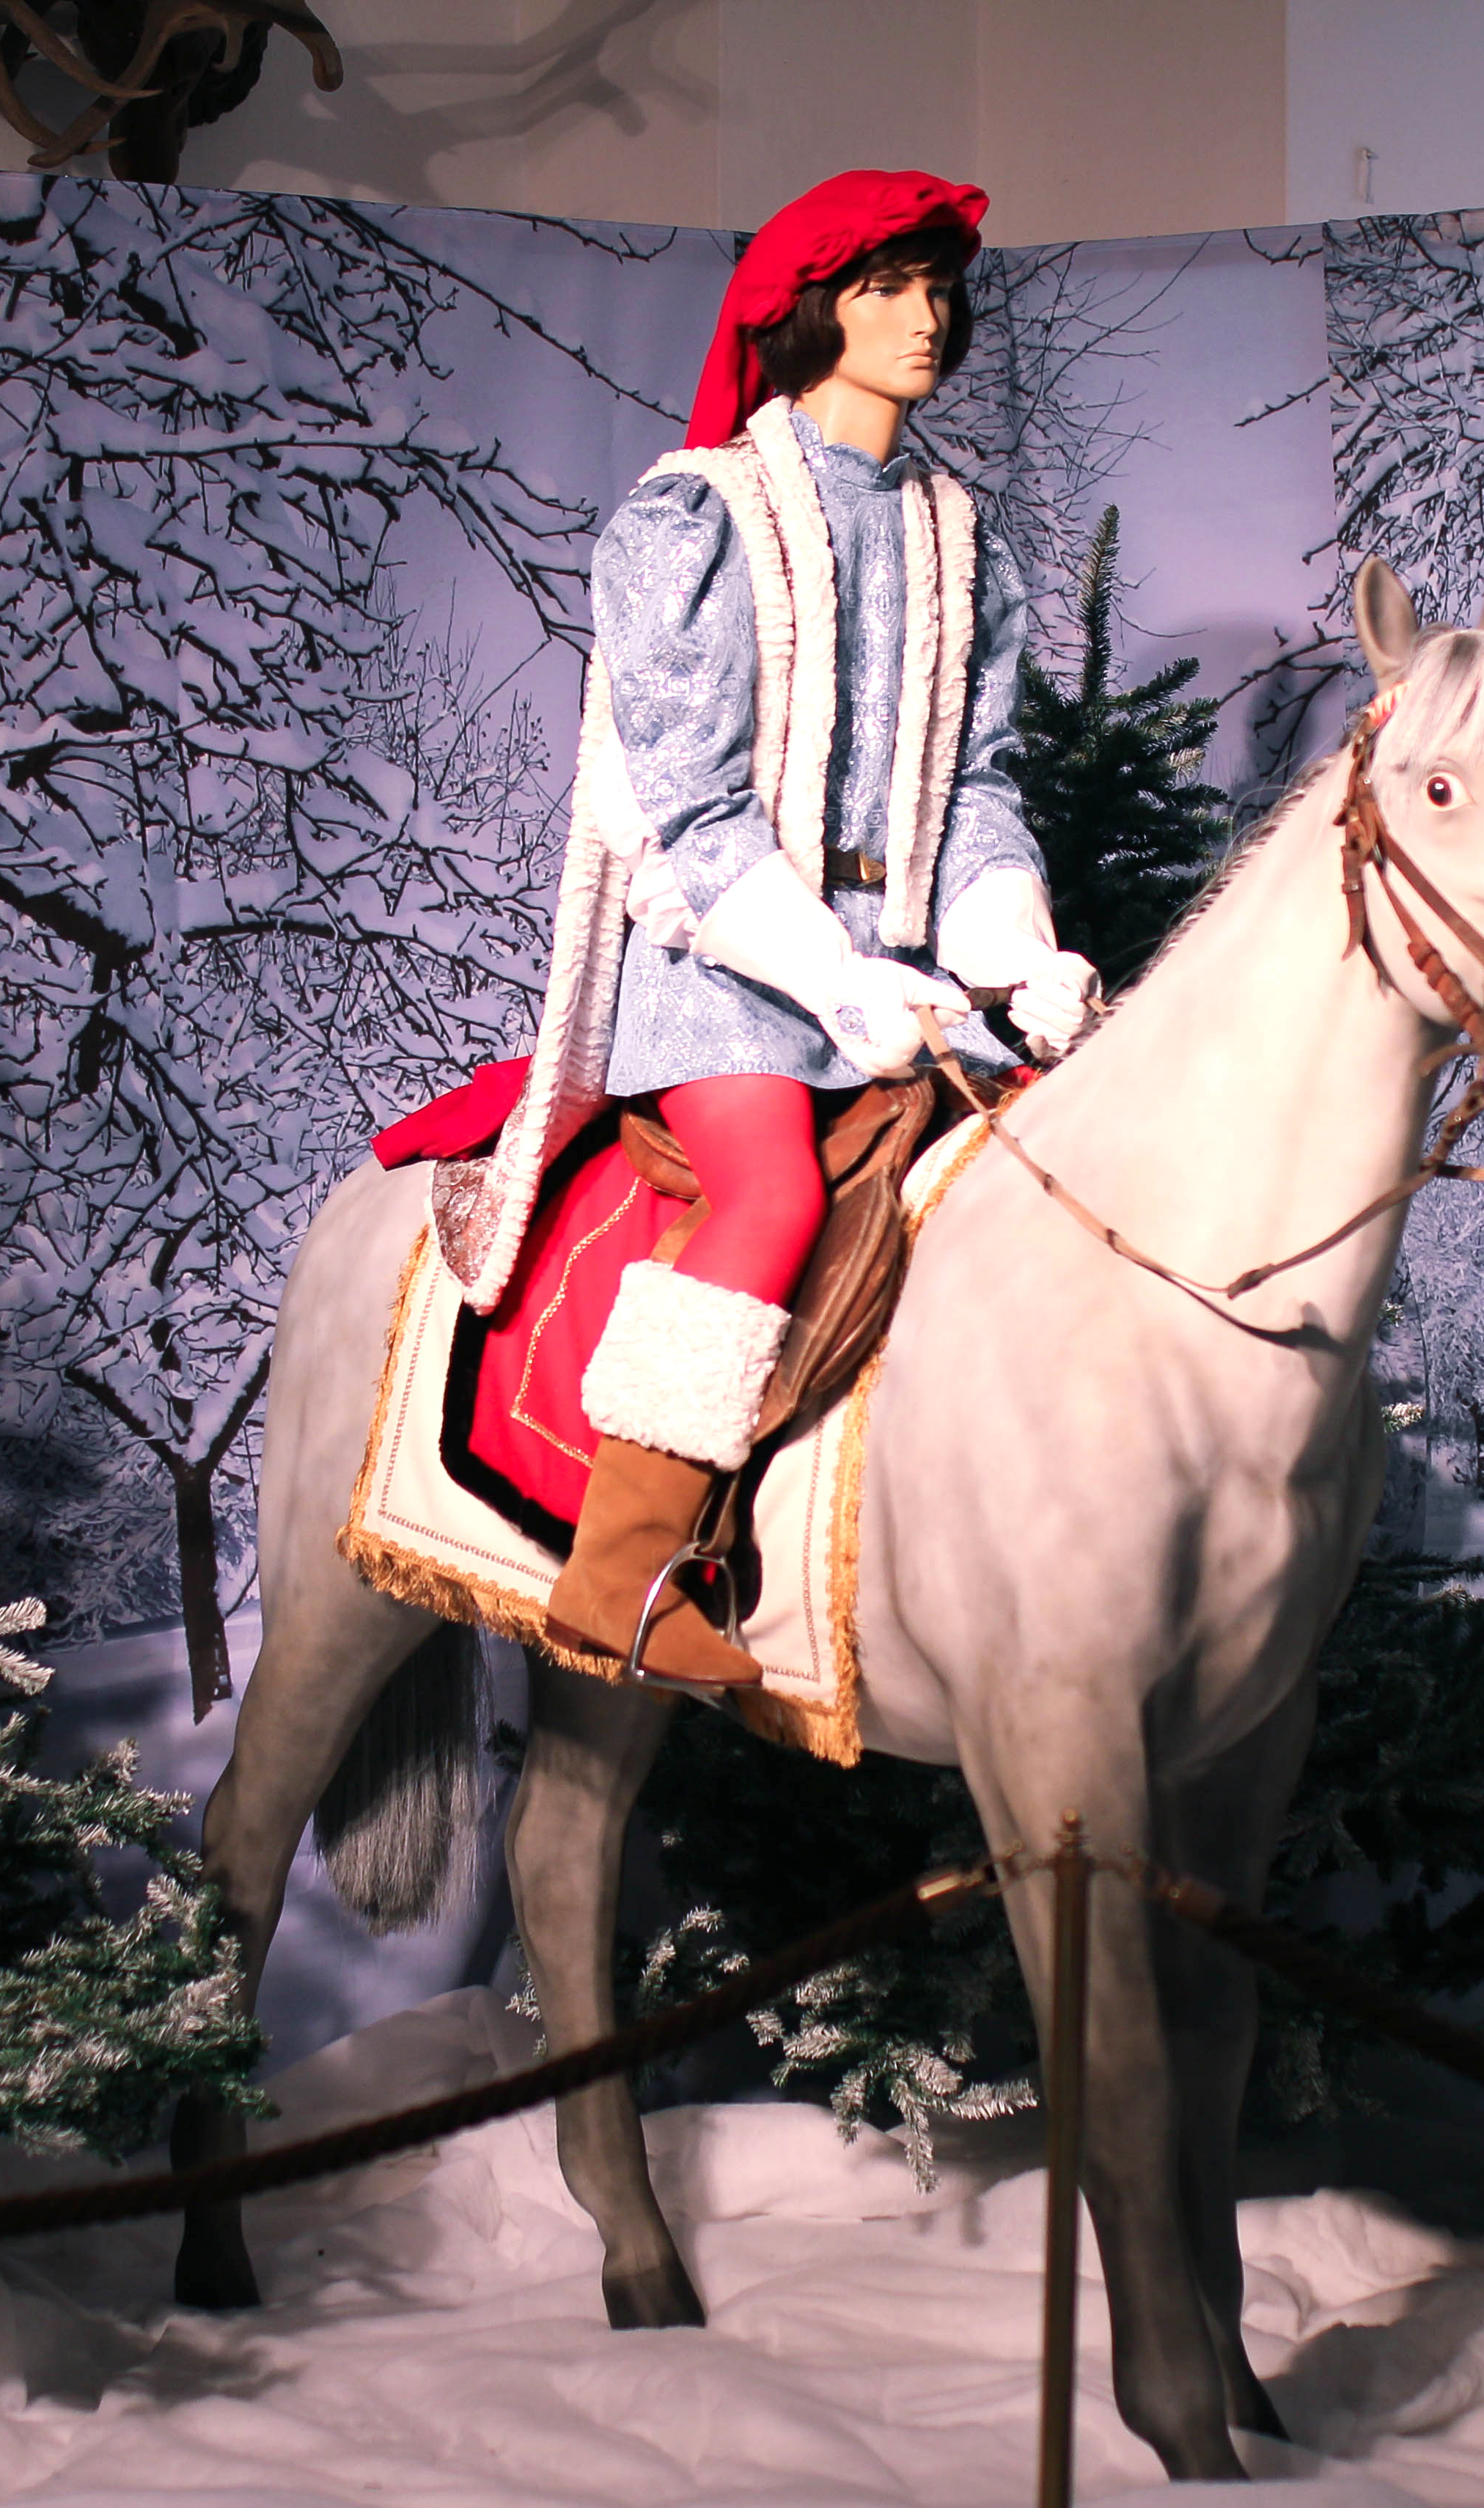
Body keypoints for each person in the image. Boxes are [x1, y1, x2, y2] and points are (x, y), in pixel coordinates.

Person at [472, 169, 1100, 1688]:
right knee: (764, 1197)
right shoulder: (695, 516)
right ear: (812, 308)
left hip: (918, 978)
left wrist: (1018, 953)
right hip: (730, 978)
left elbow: (981, 791)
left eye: (940, 286)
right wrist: (834, 979)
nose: (927, 316)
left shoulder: (964, 535)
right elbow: (688, 816)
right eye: (889, 286)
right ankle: (621, 1578)